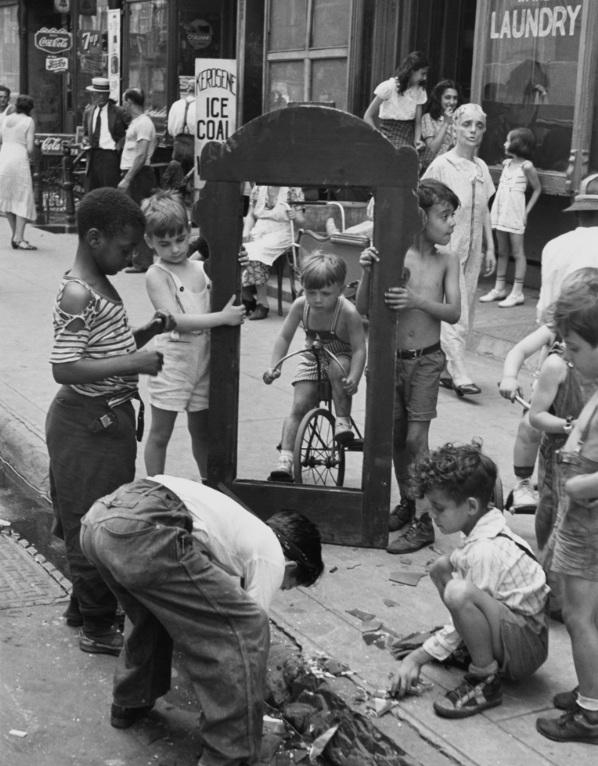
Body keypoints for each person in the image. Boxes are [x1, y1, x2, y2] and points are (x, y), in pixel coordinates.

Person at [79, 475, 324, 765]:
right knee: (248, 628)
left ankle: (130, 703)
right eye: (290, 584)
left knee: (152, 614)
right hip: (144, 528)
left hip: (101, 519)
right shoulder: (271, 555)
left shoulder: (238, 526)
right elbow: (246, 632)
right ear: (291, 565)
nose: (283, 587)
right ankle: (229, 754)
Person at [45, 188, 171, 657]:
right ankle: (97, 627)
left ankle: (84, 608)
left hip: (104, 420)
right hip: (85, 423)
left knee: (95, 516)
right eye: (126, 248)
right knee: (92, 525)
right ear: (95, 238)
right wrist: (135, 363)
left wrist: (146, 333)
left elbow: (101, 350)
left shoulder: (97, 284)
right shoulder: (78, 291)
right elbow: (65, 367)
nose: (132, 258)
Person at [391, 443, 549, 719]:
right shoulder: (480, 527)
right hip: (510, 630)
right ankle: (470, 647)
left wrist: (419, 657)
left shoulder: (484, 550)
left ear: (471, 506)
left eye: (439, 508)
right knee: (441, 567)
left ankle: (484, 679)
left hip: (525, 649)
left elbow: (467, 601)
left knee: (459, 593)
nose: (433, 516)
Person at [356, 179, 461, 553]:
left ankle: (424, 521)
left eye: (452, 216)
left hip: (427, 361)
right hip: (390, 360)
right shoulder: (392, 255)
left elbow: (453, 311)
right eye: (445, 215)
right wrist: (367, 270)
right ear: (420, 217)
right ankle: (408, 501)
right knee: (396, 439)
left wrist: (417, 301)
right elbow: (363, 308)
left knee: (417, 439)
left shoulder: (447, 260)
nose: (451, 223)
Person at [500, 173, 598, 511]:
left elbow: (544, 310)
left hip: (558, 343)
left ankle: (523, 485)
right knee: (539, 422)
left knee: (531, 424)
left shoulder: (554, 245)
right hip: (570, 346)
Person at [142, 191, 245, 478]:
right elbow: (173, 320)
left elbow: (228, 289)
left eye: (180, 239)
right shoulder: (157, 274)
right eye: (164, 244)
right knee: (160, 433)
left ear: (190, 231)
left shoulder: (201, 268)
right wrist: (222, 318)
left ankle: (208, 483)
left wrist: (238, 262)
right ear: (149, 241)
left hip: (204, 361)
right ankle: (155, 486)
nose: (175, 249)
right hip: (172, 363)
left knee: (202, 432)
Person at [536, 274, 598, 744]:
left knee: (578, 617)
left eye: (575, 348)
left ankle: (591, 715)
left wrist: (579, 484)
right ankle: (591, 690)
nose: (569, 358)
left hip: (589, 521)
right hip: (581, 519)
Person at [263, 252, 366, 482]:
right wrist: (274, 366)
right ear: (303, 288)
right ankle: (285, 459)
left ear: (340, 290)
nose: (317, 299)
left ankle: (342, 420)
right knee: (299, 405)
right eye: (311, 292)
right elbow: (284, 337)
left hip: (340, 357)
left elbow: (359, 348)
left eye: (325, 293)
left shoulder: (348, 312)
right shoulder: (301, 306)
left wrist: (355, 377)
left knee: (338, 369)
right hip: (313, 358)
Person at [423, 103, 496, 396]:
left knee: (467, 305)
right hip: (449, 246)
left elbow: (484, 210)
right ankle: (459, 371)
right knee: (456, 306)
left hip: (473, 248)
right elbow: (424, 201)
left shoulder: (481, 168)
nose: (473, 131)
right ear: (454, 128)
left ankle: (444, 366)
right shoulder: (443, 165)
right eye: (467, 124)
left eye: (479, 126)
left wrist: (490, 247)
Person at [481, 127, 542, 308]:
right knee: (502, 251)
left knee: (517, 252)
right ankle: (499, 288)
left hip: (515, 212)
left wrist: (526, 212)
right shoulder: (506, 163)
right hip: (501, 211)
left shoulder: (527, 167)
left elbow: (537, 189)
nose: (504, 143)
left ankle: (517, 292)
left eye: (508, 140)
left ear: (518, 144)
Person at [240, 185, 305, 320]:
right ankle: (247, 297)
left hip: (283, 232)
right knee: (240, 249)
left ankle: (262, 303)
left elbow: (301, 221)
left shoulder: (292, 189)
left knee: (256, 252)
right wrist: (245, 233)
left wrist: (295, 216)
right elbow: (251, 215)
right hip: (260, 229)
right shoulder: (258, 188)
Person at [118, 87, 157, 273]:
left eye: (124, 102)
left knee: (139, 217)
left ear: (129, 102)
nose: (123, 106)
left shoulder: (144, 123)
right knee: (130, 217)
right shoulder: (137, 122)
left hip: (139, 175)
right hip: (132, 172)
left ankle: (143, 260)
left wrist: (128, 178)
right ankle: (133, 257)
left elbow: (141, 154)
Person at [363, 50, 428, 150]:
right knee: (404, 154)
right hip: (390, 134)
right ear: (412, 71)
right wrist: (378, 138)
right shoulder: (389, 87)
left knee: (428, 156)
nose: (424, 78)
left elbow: (418, 122)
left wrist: (417, 140)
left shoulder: (419, 91)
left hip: (410, 134)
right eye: (422, 73)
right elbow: (368, 115)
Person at [0, 94, 37, 250]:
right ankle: (19, 238)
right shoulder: (28, 121)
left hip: (4, 156)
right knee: (22, 196)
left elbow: (1, 138)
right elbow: (30, 147)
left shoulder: (6, 119)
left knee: (7, 196)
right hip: (19, 159)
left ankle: (15, 235)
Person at [82, 76, 128, 190]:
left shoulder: (118, 112)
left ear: (107, 95)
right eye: (96, 94)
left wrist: (122, 142)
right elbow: (86, 133)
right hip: (93, 155)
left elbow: (132, 129)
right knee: (92, 190)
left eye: (103, 94)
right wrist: (85, 141)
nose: (99, 97)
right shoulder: (88, 111)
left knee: (109, 189)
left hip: (110, 156)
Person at [420, 79, 460, 173]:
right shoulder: (428, 118)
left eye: (455, 98)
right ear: (439, 98)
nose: (452, 102)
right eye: (447, 97)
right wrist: (446, 123)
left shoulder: (460, 119)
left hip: (455, 169)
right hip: (435, 169)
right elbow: (432, 150)